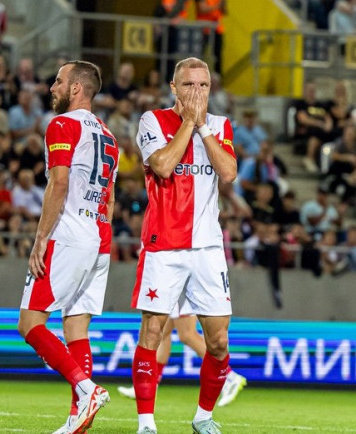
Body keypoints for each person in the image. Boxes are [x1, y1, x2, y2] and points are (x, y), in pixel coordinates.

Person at [131, 57, 237, 434]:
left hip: (208, 248)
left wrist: (203, 128)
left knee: (219, 341)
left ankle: (203, 417)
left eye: (204, 86)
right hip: (164, 245)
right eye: (189, 85)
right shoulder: (152, 121)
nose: (198, 92)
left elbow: (228, 171)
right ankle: (146, 422)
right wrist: (190, 122)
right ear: (174, 88)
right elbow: (161, 165)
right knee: (152, 332)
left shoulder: (221, 125)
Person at [17, 60, 118, 434]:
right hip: (97, 237)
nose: (52, 87)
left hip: (68, 234)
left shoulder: (62, 125)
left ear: (77, 88)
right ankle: (80, 420)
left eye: (58, 81)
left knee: (30, 323)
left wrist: (40, 238)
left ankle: (87, 388)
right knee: (77, 328)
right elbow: (109, 203)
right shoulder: (109, 136)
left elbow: (59, 184)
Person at [117, 308, 248, 407]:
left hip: (181, 283)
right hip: (176, 282)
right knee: (161, 332)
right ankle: (150, 384)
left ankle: (229, 376)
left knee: (187, 334)